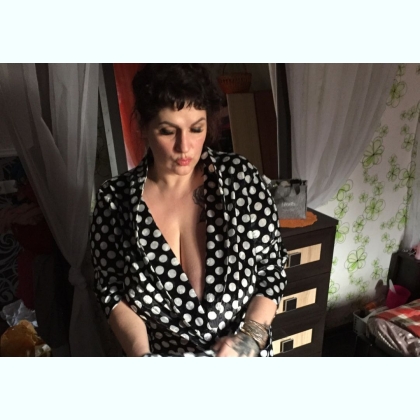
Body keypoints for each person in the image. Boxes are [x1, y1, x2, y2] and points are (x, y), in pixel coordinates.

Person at [91, 64, 288, 357]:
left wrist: (248, 339)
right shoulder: (115, 201)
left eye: (196, 128)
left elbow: (271, 268)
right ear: (143, 127)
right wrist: (142, 356)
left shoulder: (241, 180)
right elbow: (111, 291)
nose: (185, 147)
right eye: (167, 131)